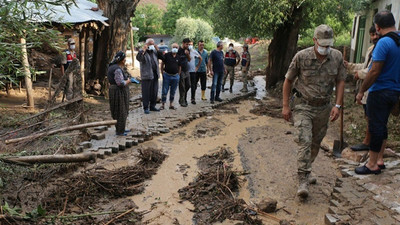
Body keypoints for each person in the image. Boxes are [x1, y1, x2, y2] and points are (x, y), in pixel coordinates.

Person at [282, 24, 346, 198]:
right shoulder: (301, 57)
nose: (325, 48)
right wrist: (286, 106)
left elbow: (341, 81)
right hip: (303, 105)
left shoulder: (337, 57)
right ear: (314, 40)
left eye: (328, 44)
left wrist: (338, 105)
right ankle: (302, 178)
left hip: (324, 107)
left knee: (315, 143)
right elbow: (288, 81)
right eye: (322, 44)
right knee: (304, 140)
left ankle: (307, 169)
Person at [354, 11, 400, 175]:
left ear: (378, 27)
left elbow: (374, 71)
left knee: (375, 127)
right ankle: (379, 160)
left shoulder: (383, 43)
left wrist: (361, 91)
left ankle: (372, 164)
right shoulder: (398, 40)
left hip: (379, 91)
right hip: (395, 91)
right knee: (382, 125)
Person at [344, 26, 379, 151]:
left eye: (376, 34)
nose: (374, 37)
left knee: (373, 117)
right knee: (368, 116)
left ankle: (368, 143)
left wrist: (360, 74)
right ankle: (368, 141)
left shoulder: (383, 49)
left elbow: (373, 70)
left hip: (375, 88)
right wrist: (350, 66)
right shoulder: (371, 49)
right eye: (372, 35)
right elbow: (365, 66)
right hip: (367, 88)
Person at [108, 51, 134, 136]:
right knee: (121, 111)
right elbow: (120, 83)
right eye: (125, 58)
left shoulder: (111, 67)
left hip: (113, 91)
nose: (125, 60)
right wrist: (129, 81)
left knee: (116, 111)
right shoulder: (117, 69)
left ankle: (120, 129)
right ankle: (120, 131)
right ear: (122, 60)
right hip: (118, 93)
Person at [136, 38, 164, 114]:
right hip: (146, 75)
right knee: (146, 92)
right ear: (146, 44)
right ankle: (146, 107)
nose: (152, 45)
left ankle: (152, 106)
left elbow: (162, 57)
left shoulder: (154, 52)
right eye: (150, 44)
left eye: (153, 44)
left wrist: (158, 49)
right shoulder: (143, 53)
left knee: (154, 92)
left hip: (155, 74)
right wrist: (143, 50)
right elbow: (138, 58)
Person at [160, 43, 181, 110]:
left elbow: (180, 66)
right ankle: (163, 104)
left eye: (176, 47)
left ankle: (171, 104)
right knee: (164, 90)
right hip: (167, 76)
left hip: (175, 76)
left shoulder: (178, 57)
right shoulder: (167, 55)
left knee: (173, 91)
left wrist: (178, 75)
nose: (175, 48)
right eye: (174, 47)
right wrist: (162, 72)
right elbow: (162, 63)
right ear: (171, 48)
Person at [177, 38, 192, 107]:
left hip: (186, 70)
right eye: (187, 44)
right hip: (181, 70)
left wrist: (188, 54)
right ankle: (183, 100)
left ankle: (183, 98)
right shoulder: (179, 50)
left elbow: (189, 60)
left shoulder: (188, 50)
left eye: (189, 44)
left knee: (188, 85)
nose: (188, 45)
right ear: (183, 43)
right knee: (182, 86)